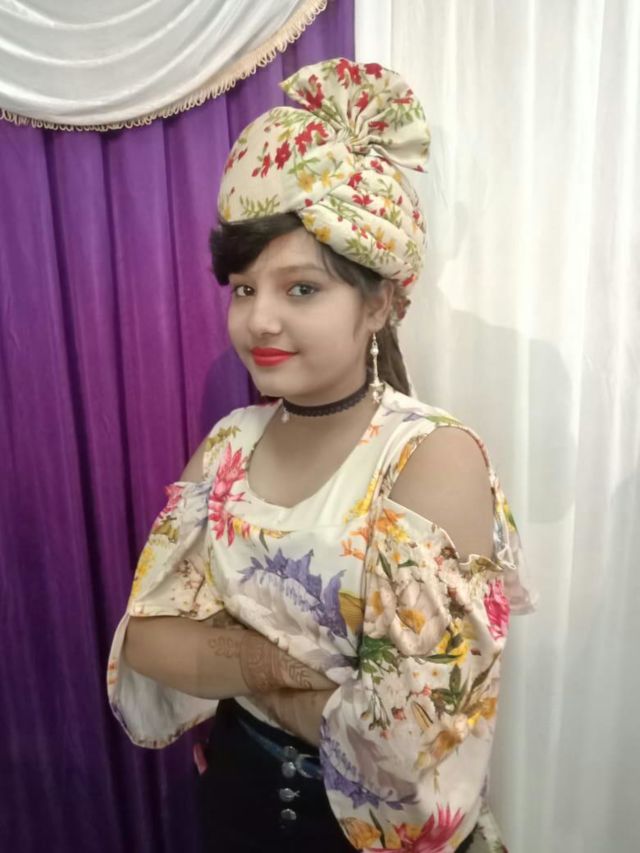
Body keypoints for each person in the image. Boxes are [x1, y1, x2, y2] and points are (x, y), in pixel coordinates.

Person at [106, 58, 536, 852]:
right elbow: (148, 640)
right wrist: (294, 671)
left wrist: (230, 659)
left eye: (301, 288)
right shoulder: (230, 442)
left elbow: (405, 746)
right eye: (244, 287)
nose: (260, 319)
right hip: (233, 804)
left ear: (380, 303)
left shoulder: (430, 456)